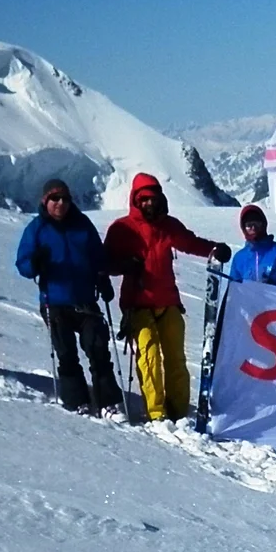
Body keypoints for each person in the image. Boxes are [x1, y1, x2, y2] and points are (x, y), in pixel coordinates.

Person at [101, 173, 229, 422]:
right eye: (144, 199)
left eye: (153, 198)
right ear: (135, 200)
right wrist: (125, 265)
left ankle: (179, 412)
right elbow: (105, 263)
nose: (149, 203)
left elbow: (190, 243)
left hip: (168, 302)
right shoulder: (122, 228)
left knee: (176, 360)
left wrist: (214, 249)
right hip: (137, 304)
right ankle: (156, 412)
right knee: (148, 358)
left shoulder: (168, 226)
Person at [15, 179, 122, 414]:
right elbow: (23, 265)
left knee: (98, 349)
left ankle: (108, 402)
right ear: (45, 201)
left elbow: (98, 256)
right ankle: (77, 401)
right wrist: (35, 263)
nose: (60, 203)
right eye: (55, 198)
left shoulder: (82, 225)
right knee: (66, 354)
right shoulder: (37, 229)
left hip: (85, 300)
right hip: (54, 301)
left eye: (65, 198)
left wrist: (102, 277)